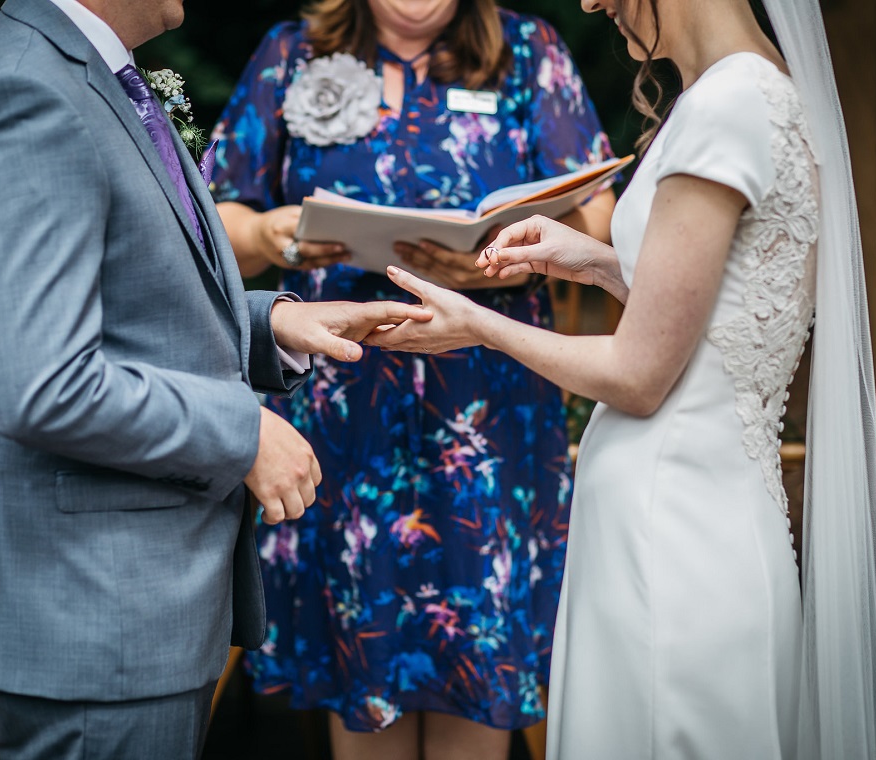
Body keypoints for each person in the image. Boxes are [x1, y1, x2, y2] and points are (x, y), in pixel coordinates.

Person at [368, 0, 876, 757]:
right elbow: (723, 312)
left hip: (669, 539)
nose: (591, 2)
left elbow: (640, 374)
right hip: (713, 520)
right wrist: (589, 260)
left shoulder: (725, 105)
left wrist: (478, 325)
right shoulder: (764, 90)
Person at [0, 0, 430, 757]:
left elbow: (131, 303)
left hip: (134, 610)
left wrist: (271, 325)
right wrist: (243, 431)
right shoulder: (26, 93)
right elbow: (45, 383)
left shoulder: (89, 71)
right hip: (96, 617)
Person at [209, 0, 616, 756]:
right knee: (367, 676)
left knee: (478, 671)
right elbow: (216, 224)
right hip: (343, 410)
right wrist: (269, 233)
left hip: (491, 420)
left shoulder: (531, 53)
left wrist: (503, 256)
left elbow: (599, 217)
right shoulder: (289, 53)